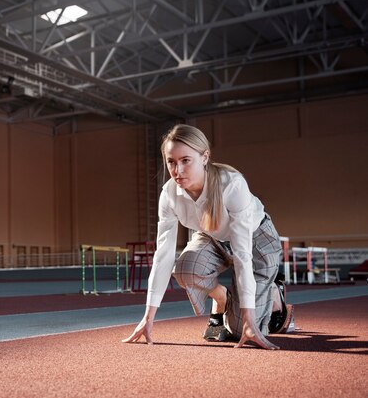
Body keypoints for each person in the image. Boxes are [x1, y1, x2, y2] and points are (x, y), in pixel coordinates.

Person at [122, 124, 290, 350]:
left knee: (242, 330)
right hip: (213, 236)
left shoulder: (231, 184)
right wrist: (148, 317)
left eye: (185, 160)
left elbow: (241, 255)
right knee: (185, 270)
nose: (177, 170)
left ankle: (273, 293)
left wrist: (249, 318)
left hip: (256, 240)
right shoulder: (169, 195)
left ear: (204, 157)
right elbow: (163, 256)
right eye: (171, 161)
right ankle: (223, 298)